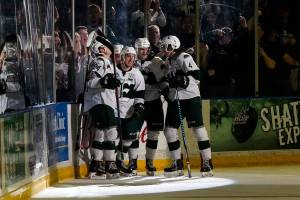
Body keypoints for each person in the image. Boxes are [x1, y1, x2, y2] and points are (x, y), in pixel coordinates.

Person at [161, 35, 213, 177]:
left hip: (190, 97)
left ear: (173, 46)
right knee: (169, 130)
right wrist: (167, 89)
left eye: (166, 47)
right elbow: (168, 81)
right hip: (176, 98)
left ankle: (207, 162)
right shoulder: (168, 62)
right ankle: (177, 162)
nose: (164, 49)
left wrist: (183, 80)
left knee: (198, 129)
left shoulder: (184, 57)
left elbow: (197, 76)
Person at [130, 37, 169, 176]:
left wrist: (163, 87)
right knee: (132, 133)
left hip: (154, 101)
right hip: (136, 102)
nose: (143, 51)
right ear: (136, 49)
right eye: (140, 49)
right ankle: (132, 162)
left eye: (145, 48)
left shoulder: (157, 62)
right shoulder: (131, 61)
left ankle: (150, 162)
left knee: (153, 134)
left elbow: (164, 81)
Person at [84, 36, 120, 179]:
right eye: (107, 45)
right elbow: (90, 82)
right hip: (100, 101)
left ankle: (97, 164)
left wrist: (108, 81)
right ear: (102, 48)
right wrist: (104, 81)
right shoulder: (100, 61)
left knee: (100, 132)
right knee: (111, 132)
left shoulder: (107, 62)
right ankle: (110, 163)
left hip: (104, 101)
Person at [115, 46, 145, 176]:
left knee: (129, 139)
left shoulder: (137, 74)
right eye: (128, 56)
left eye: (133, 57)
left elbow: (140, 93)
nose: (131, 59)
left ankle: (120, 162)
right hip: (114, 109)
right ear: (122, 57)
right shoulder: (113, 70)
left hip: (129, 110)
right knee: (111, 137)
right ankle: (106, 163)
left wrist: (139, 105)